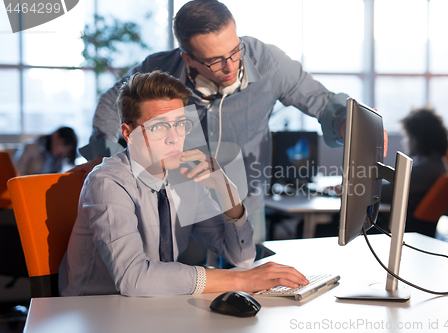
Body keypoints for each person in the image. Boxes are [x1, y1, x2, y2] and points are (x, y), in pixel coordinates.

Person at [72, 0, 350, 244]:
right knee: (183, 292)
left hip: (245, 200)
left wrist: (351, 126)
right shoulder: (159, 69)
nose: (230, 67)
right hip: (180, 201)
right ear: (188, 59)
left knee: (247, 280)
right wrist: (104, 154)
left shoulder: (269, 63)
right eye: (215, 61)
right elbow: (112, 102)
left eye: (234, 51)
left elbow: (322, 101)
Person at [59, 71, 308, 297]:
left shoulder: (182, 179)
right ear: (128, 133)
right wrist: (240, 280)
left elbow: (241, 256)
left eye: (179, 125)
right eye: (159, 127)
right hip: (96, 311)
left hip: (156, 308)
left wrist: (226, 188)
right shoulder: (108, 182)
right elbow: (133, 279)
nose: (174, 138)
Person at [381, 107, 448, 238]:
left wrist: (356, 188)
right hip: (409, 228)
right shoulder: (435, 164)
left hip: (398, 230)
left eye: (407, 137)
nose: (404, 142)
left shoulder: (427, 169)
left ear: (419, 139)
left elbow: (386, 192)